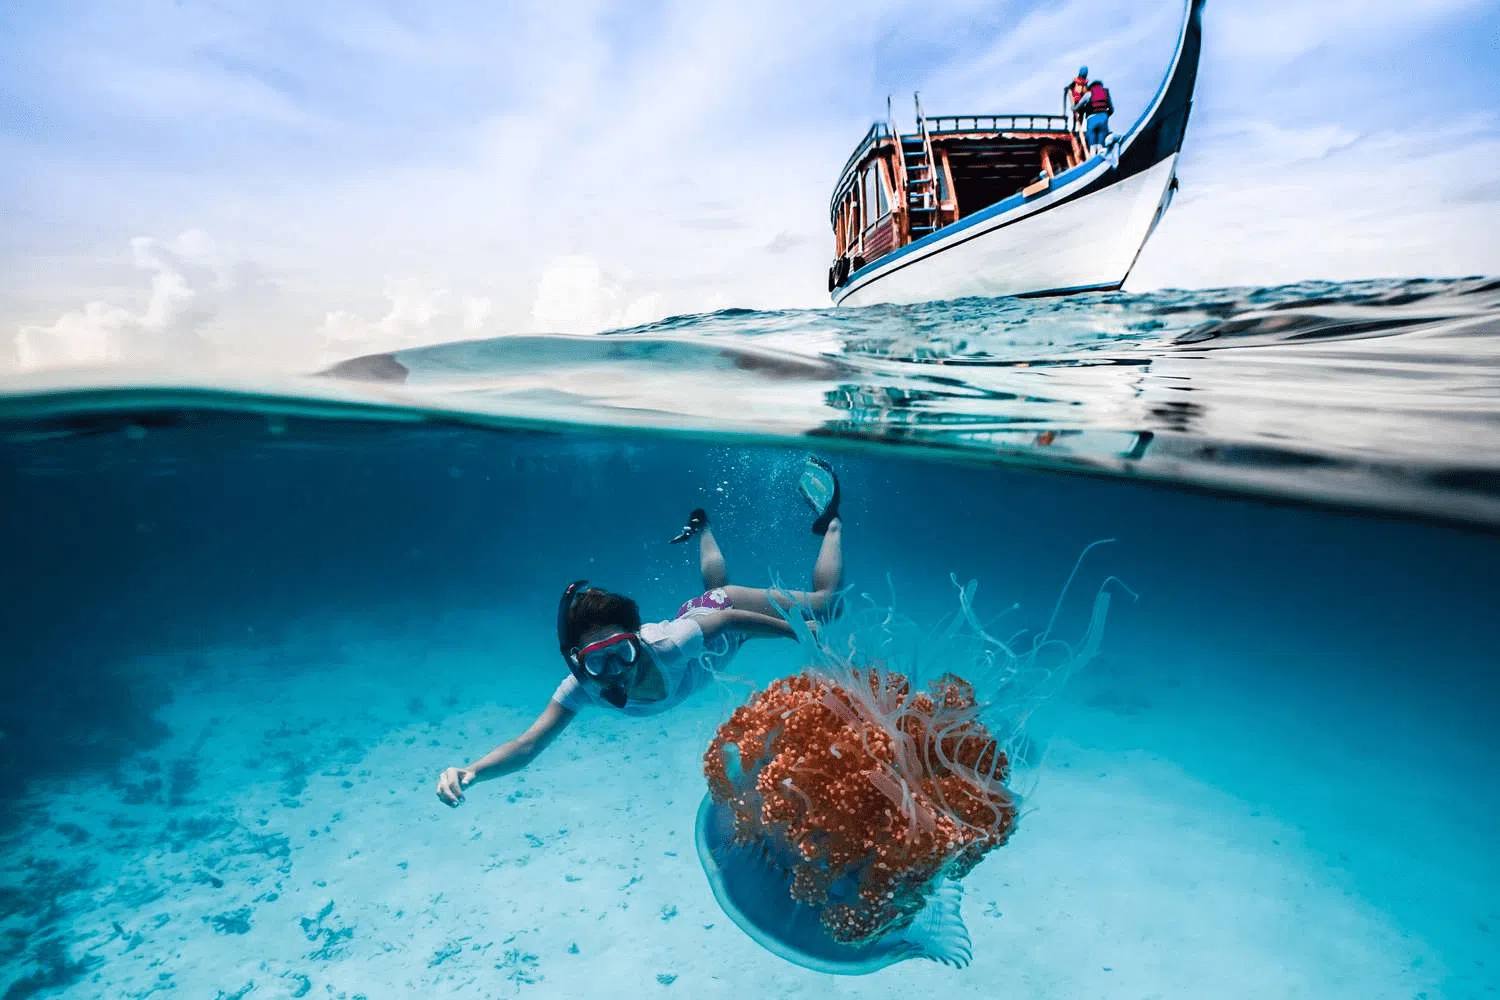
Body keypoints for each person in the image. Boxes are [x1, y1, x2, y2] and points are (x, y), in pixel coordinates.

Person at [435, 455, 846, 807]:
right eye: (598, 661)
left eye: (622, 651)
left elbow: (727, 619)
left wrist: (793, 631)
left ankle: (831, 522)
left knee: (824, 607)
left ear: (637, 640)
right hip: (704, 624)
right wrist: (472, 772)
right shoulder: (582, 688)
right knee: (712, 589)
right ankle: (702, 527)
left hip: (722, 613)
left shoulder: (668, 645)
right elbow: (527, 745)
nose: (616, 669)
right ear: (578, 663)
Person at [1073, 77, 1114, 155]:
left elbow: (1078, 106)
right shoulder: (1105, 92)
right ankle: (1101, 151)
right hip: (1103, 117)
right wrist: (1106, 115)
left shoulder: (1088, 94)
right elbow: (1112, 109)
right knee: (1102, 135)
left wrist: (1073, 108)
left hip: (1091, 118)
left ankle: (1092, 153)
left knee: (1091, 136)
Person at [1065, 66, 1090, 132]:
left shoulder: (1084, 83)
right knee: (1077, 114)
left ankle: (1077, 128)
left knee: (1080, 114)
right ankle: (1075, 127)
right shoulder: (1077, 82)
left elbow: (1070, 87)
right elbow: (1070, 86)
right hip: (1078, 100)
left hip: (1080, 100)